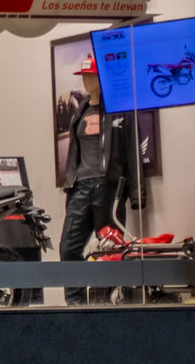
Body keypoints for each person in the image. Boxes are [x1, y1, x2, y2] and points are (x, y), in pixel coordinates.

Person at [58, 55, 140, 305]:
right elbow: (74, 153)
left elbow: (132, 151)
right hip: (80, 188)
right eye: (83, 76)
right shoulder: (80, 111)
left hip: (108, 187)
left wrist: (136, 193)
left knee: (110, 249)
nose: (86, 80)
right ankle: (75, 305)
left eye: (90, 75)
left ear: (101, 77)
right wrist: (71, 184)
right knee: (68, 248)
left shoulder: (118, 110)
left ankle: (109, 303)